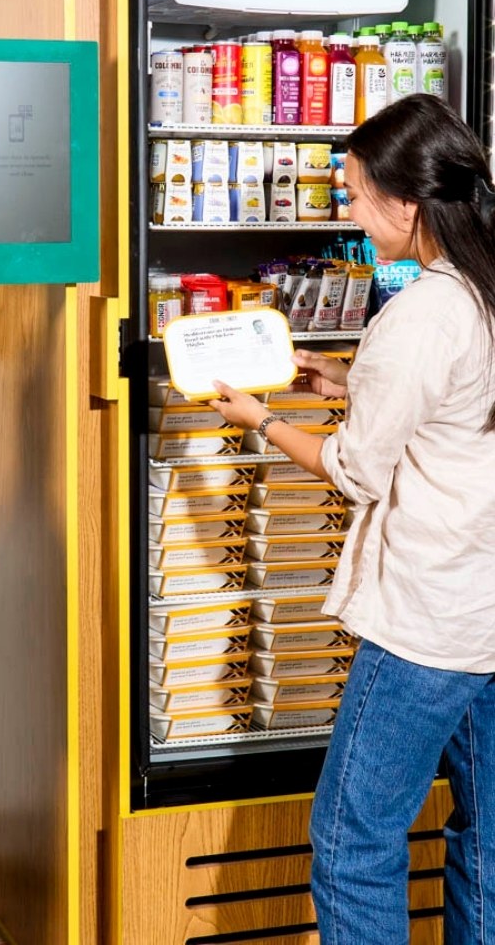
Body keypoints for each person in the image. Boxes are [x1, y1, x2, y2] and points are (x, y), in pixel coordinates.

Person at [209, 93, 495, 944]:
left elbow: (356, 469)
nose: (352, 213)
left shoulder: (421, 314)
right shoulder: (481, 289)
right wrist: (345, 380)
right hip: (486, 609)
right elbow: (455, 411)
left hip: (427, 623)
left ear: (407, 205)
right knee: (484, 838)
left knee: (352, 840)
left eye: (358, 195)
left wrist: (259, 418)